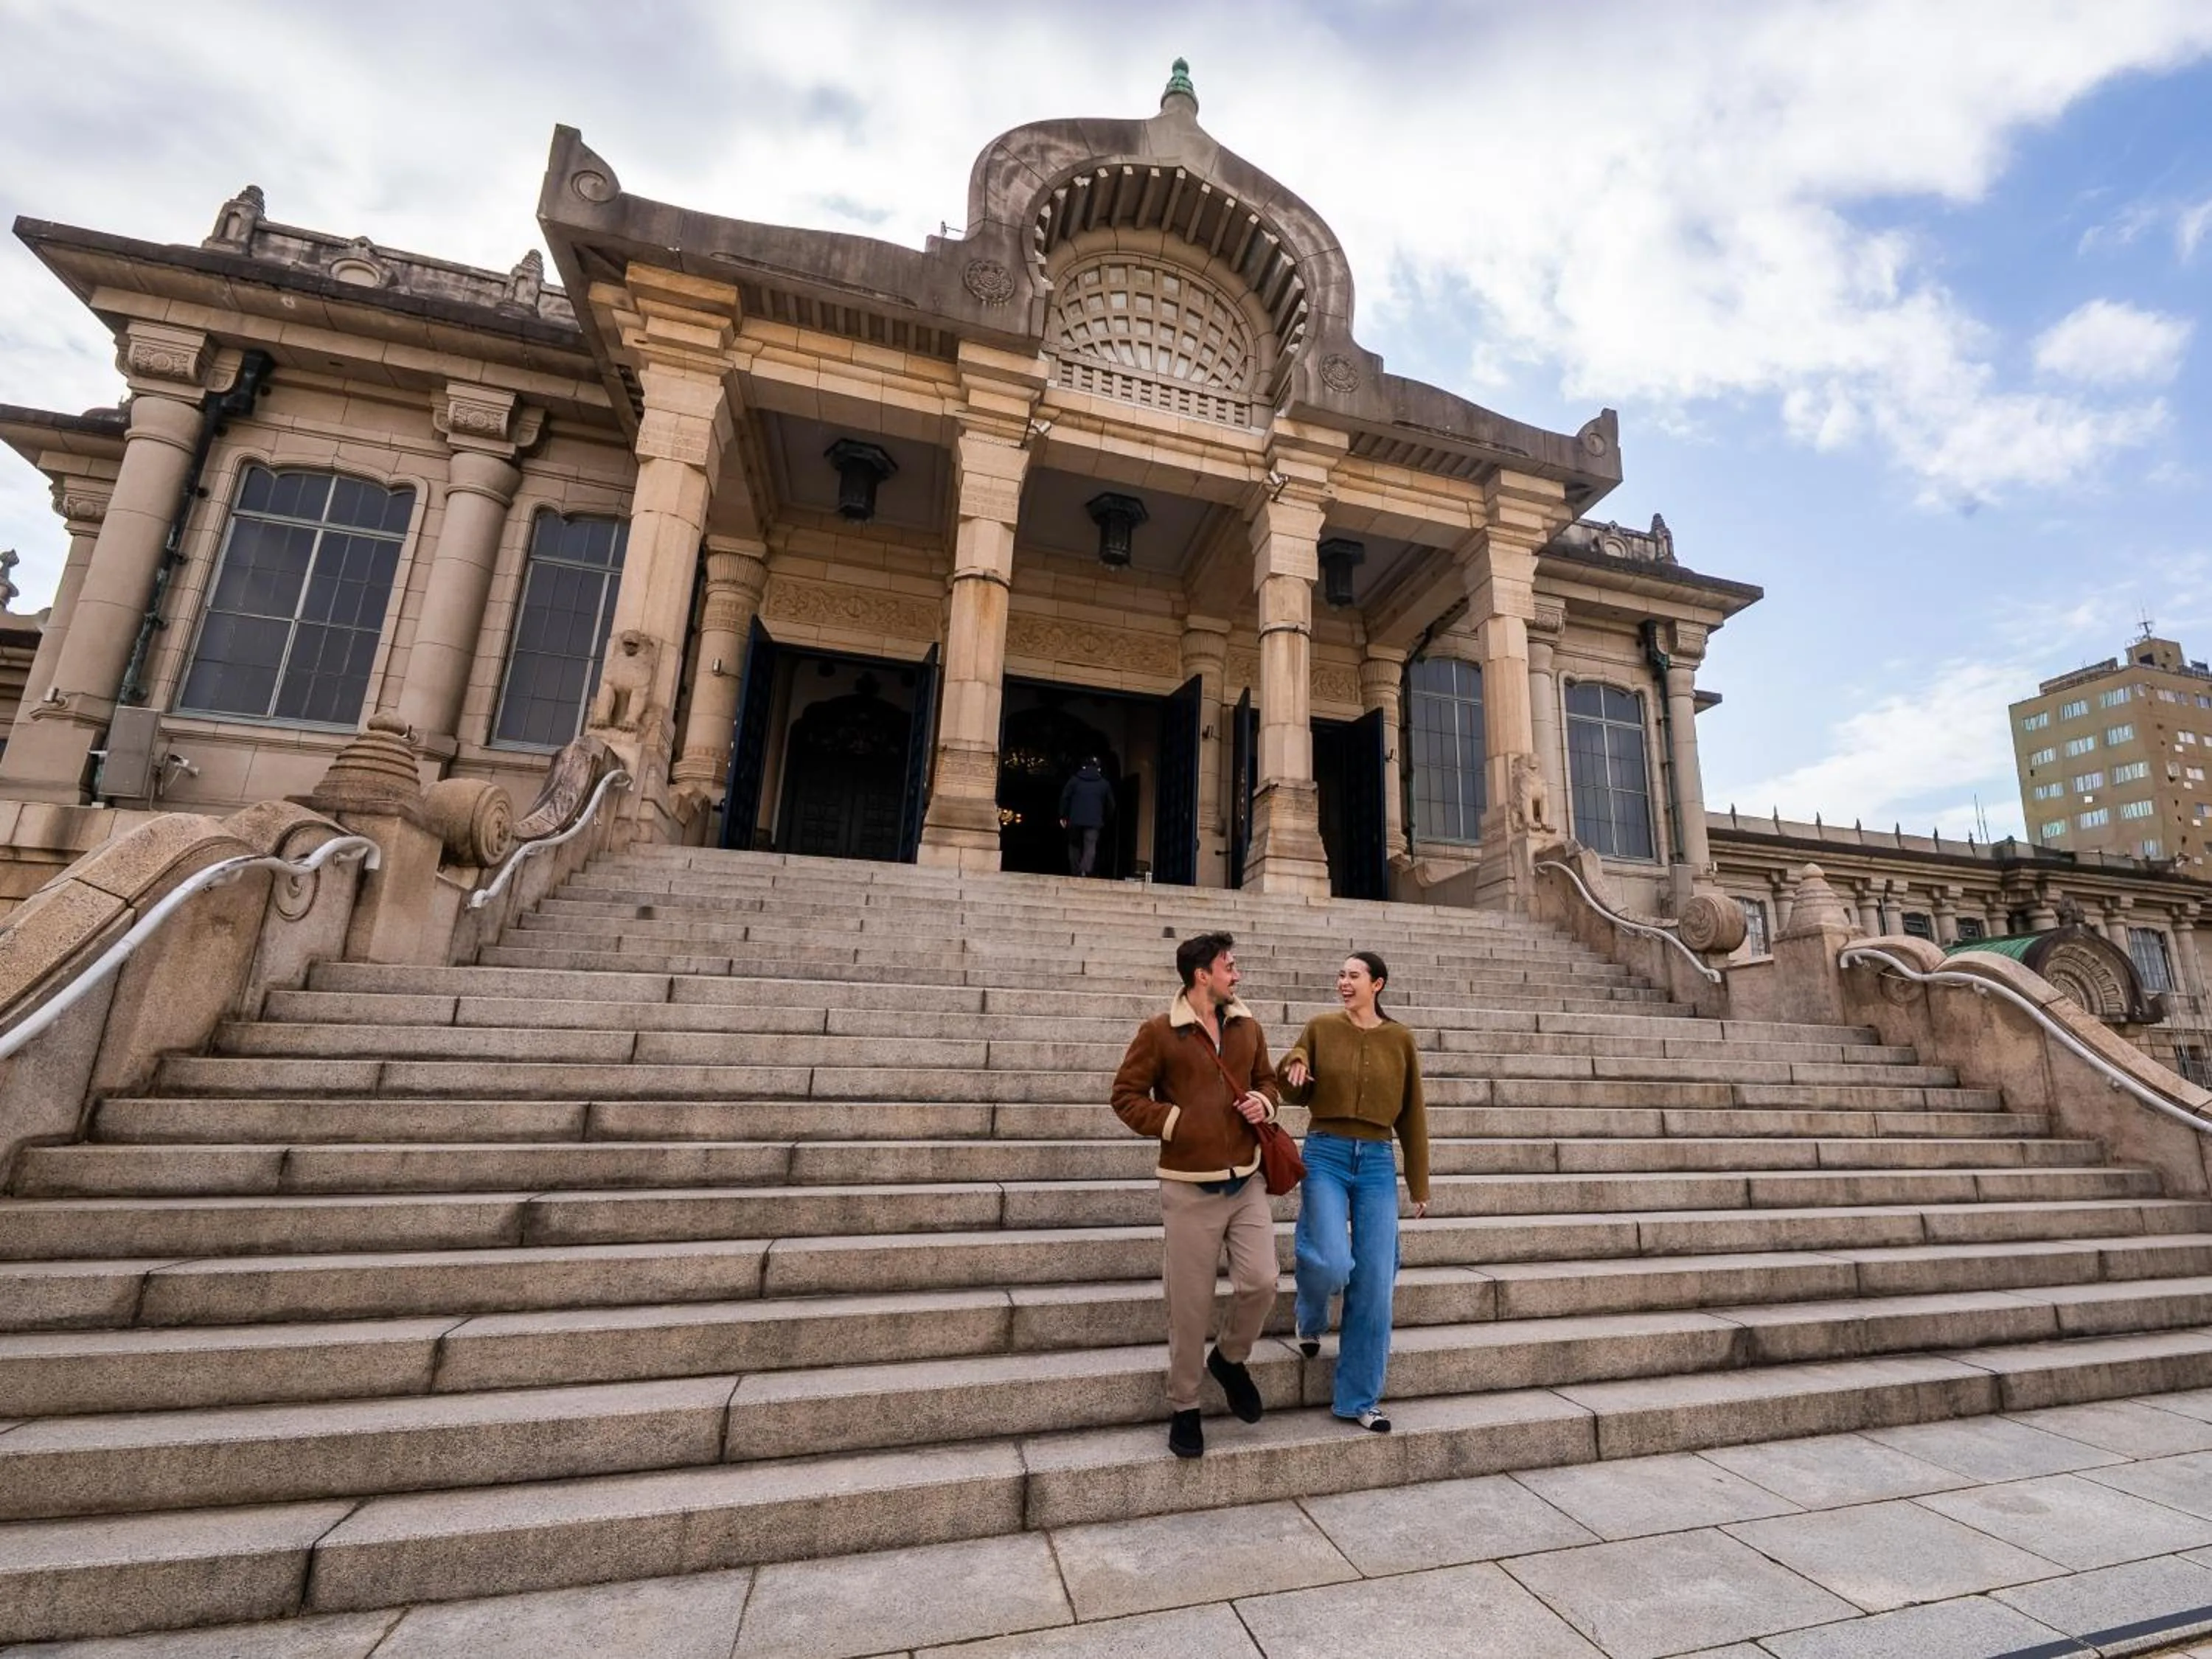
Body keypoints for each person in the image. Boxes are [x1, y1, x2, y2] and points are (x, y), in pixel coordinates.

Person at [1110, 931, 1281, 1458]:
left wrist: (1263, 1102)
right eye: (1230, 966)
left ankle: (1228, 1360)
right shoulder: (1161, 1032)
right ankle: (1184, 1405)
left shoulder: (1247, 1026)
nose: (1238, 974)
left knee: (1261, 1282)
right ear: (1202, 975)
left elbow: (1269, 1081)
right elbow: (1125, 1096)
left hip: (1247, 1178)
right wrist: (1174, 1121)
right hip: (1188, 1188)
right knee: (1188, 1308)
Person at [1279, 951, 1428, 1433]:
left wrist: (1419, 1182)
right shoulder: (1321, 1028)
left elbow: (1412, 1116)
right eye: (1341, 974)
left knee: (1376, 1284)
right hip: (1325, 1152)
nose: (1344, 981)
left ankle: (1359, 1398)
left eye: (1354, 975)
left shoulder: (1400, 1039)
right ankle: (1310, 1314)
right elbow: (1293, 1084)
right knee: (1331, 1260)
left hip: (1378, 1162)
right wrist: (1295, 1065)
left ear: (1377, 984)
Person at [1059, 757, 1116, 877]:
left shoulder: (1074, 781)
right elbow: (1111, 805)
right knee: (1090, 846)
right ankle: (1085, 870)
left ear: (1083, 767)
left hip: (1075, 820)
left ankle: (1076, 871)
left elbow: (1065, 798)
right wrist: (1105, 818)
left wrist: (1063, 816)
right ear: (1099, 769)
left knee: (1074, 846)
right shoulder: (1104, 784)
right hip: (1094, 821)